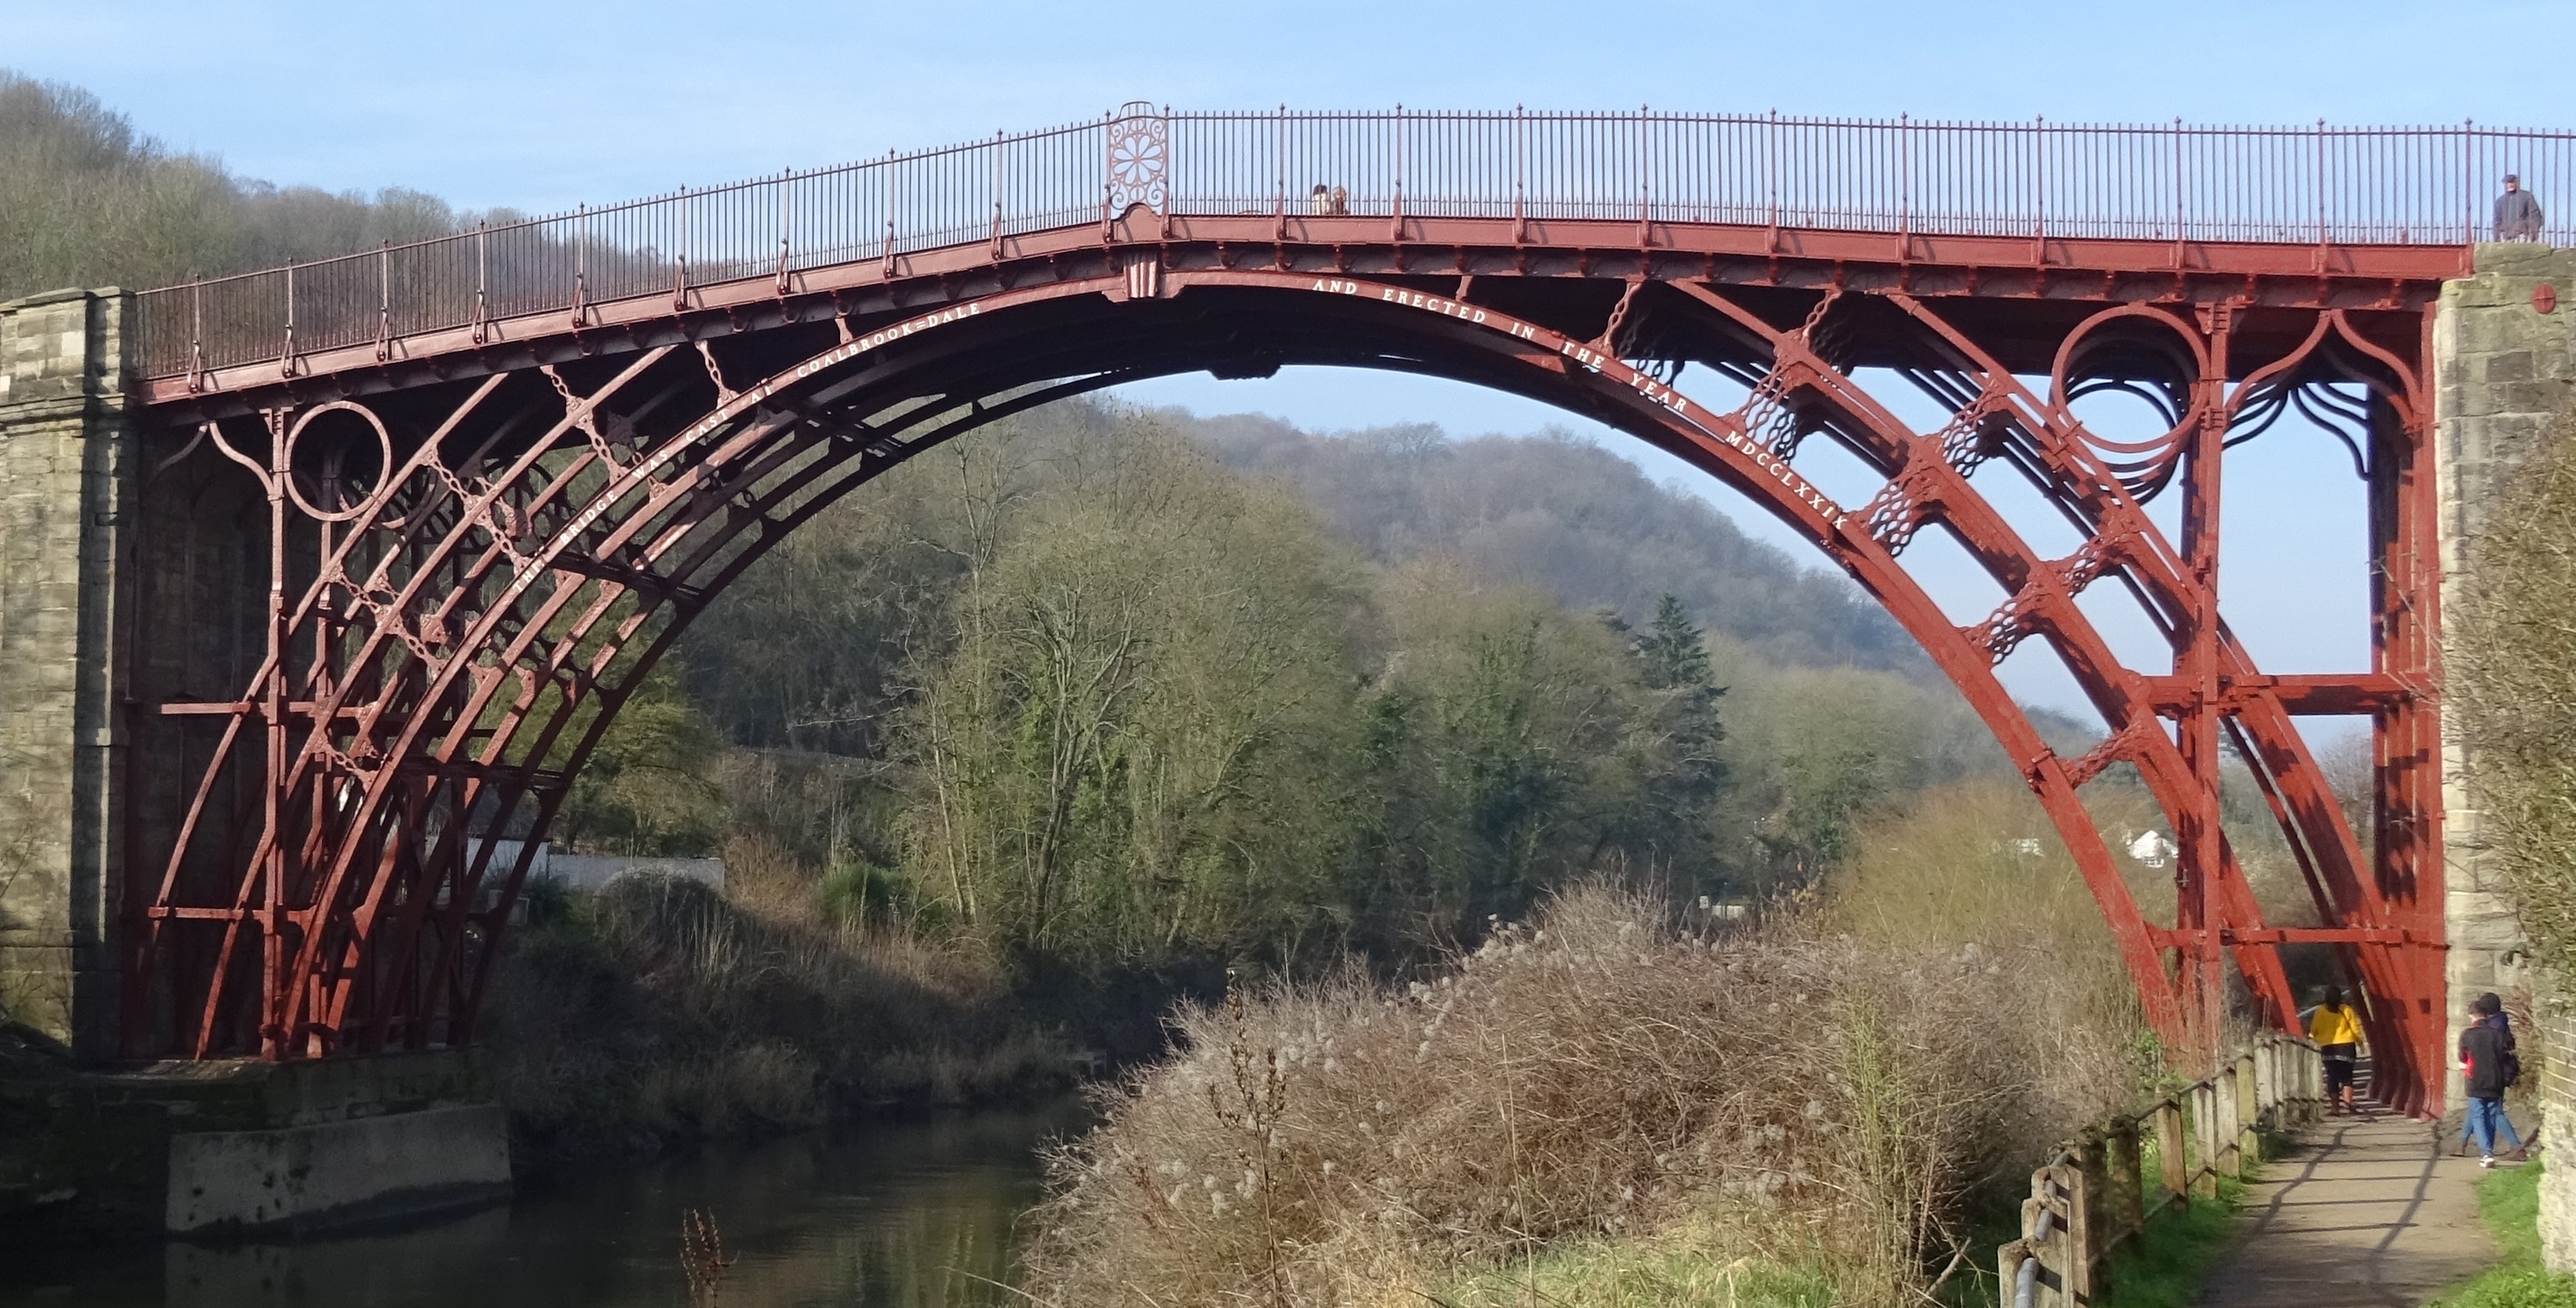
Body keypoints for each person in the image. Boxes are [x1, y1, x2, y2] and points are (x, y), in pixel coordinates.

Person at [2459, 992, 2526, 1167]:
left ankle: (2511, 1147)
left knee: (2490, 1112)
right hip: (2496, 1075)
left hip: (2487, 1076)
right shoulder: (2499, 1026)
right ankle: (2462, 1143)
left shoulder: (2486, 1030)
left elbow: (2466, 1058)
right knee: (2480, 1109)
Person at [2308, 986, 2365, 1115]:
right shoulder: (2347, 1010)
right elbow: (2355, 1029)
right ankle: (2349, 1104)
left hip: (2329, 1048)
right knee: (2347, 1077)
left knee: (2332, 1077)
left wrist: (2314, 1038)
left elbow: (2314, 1030)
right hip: (2346, 1047)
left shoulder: (2320, 1011)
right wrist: (2360, 1044)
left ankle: (2335, 1108)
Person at [2496, 176, 2544, 242]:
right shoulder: (2500, 201)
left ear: (2517, 183)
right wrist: (2496, 236)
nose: (2509, 185)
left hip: (2522, 235)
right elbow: (2497, 220)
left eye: (2512, 182)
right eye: (2507, 183)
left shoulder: (2526, 196)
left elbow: (2534, 215)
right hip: (2505, 236)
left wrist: (2533, 232)